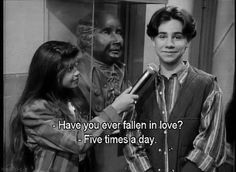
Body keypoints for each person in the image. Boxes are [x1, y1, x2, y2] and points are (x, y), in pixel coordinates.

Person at [124, 6, 228, 172]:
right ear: (153, 40)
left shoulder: (207, 85)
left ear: (187, 40)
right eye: (162, 36)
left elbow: (211, 146)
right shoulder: (140, 87)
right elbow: (131, 141)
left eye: (177, 37)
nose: (169, 44)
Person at [9, 41, 138, 172]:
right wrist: (115, 109)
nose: (77, 73)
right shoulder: (35, 110)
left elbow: (90, 131)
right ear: (50, 74)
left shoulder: (70, 98)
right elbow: (78, 141)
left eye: (76, 66)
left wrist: (122, 114)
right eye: (70, 69)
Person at [74, 11, 132, 172]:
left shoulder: (121, 70)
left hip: (116, 151)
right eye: (107, 32)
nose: (117, 40)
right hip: (90, 151)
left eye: (119, 32)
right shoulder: (76, 74)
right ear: (88, 38)